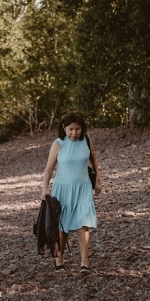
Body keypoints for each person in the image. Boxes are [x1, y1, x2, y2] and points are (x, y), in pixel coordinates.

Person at [39, 112, 100, 271]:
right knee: (62, 227)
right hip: (62, 189)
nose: (74, 133)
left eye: (78, 129)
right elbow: (49, 168)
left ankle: (85, 261)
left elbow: (93, 160)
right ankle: (60, 258)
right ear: (64, 128)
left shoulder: (86, 140)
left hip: (83, 188)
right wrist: (45, 188)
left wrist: (98, 180)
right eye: (71, 129)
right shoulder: (58, 144)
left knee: (83, 224)